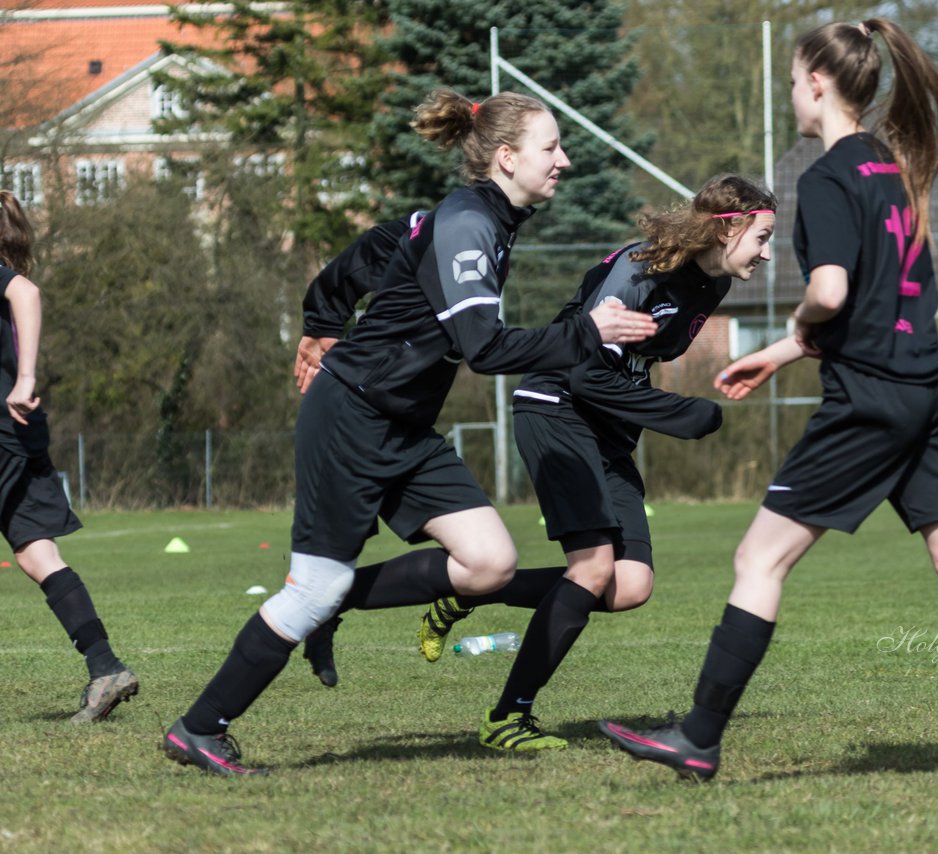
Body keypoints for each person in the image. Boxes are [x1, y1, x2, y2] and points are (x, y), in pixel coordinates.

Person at [599, 19, 938, 782]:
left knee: (758, 558)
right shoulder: (898, 167)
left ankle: (700, 736)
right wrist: (786, 354)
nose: (791, 93)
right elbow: (884, 296)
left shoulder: (825, 178)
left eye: (791, 80)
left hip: (872, 400)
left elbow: (835, 291)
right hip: (931, 389)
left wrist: (798, 321)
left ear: (818, 82)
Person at [161, 89, 658, 777]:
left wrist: (320, 323)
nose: (564, 161)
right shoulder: (467, 225)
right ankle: (199, 727)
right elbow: (483, 348)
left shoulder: (475, 220)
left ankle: (335, 605)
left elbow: (368, 254)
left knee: (489, 562)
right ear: (508, 157)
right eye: (552, 148)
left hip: (403, 429)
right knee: (311, 589)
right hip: (351, 420)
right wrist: (586, 332)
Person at [303, 175, 778, 751]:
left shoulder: (713, 283)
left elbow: (630, 367)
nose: (768, 252)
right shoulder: (641, 268)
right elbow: (582, 370)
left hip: (608, 430)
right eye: (762, 236)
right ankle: (506, 716)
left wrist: (659, 411)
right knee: (593, 568)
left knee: (629, 585)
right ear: (727, 229)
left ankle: (465, 593)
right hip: (556, 407)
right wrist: (675, 413)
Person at [0, 190, 139, 722]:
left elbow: (27, 293)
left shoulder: (7, 279)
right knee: (37, 554)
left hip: (4, 428)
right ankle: (105, 668)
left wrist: (27, 377)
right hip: (20, 431)